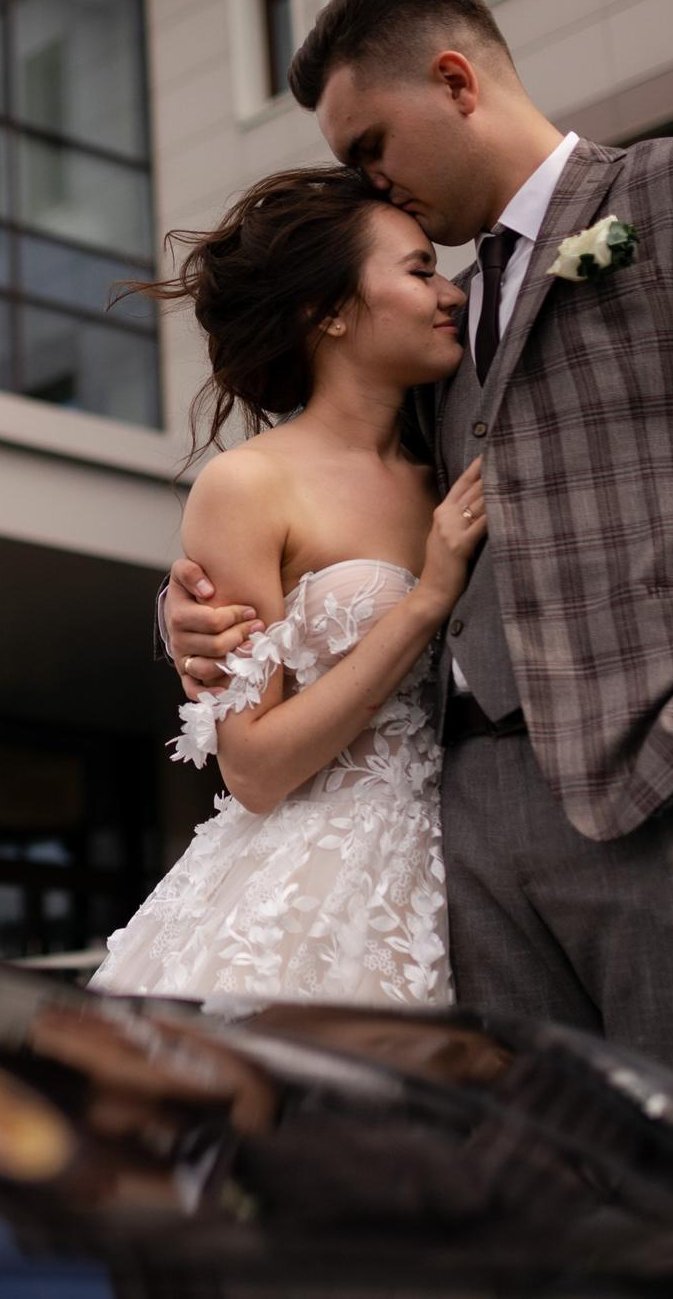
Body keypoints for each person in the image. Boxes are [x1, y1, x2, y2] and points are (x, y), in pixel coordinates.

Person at [157, 0, 673, 1203]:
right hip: (470, 836)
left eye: (371, 144)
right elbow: (345, 512)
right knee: (558, 1220)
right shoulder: (435, 330)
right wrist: (190, 612)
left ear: (455, 79)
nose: (367, 181)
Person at [92, 169, 485, 1008]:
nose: (451, 293)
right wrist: (425, 600)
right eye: (420, 271)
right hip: (318, 893)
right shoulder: (248, 485)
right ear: (329, 310)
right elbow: (255, 767)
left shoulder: (452, 460)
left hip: (479, 873)